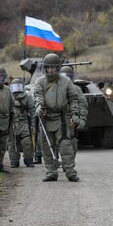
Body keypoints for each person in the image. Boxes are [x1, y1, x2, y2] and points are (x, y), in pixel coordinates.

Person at [33, 53, 80, 182]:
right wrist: (39, 107)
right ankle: (51, 172)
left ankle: (70, 171)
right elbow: (38, 95)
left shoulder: (66, 82)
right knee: (46, 147)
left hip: (62, 118)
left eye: (53, 67)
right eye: (48, 67)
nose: (50, 70)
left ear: (58, 68)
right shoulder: (40, 82)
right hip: (45, 117)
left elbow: (73, 99)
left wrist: (75, 114)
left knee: (65, 145)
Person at [7, 78, 35, 168]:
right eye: (15, 87)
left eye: (19, 86)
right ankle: (14, 161)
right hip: (12, 123)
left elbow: (33, 111)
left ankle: (29, 160)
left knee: (27, 142)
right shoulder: (8, 97)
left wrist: (33, 125)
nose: (17, 89)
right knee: (12, 143)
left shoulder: (27, 97)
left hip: (24, 122)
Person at [61, 65, 88, 157]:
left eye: (68, 76)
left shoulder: (76, 89)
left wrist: (82, 119)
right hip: (57, 119)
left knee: (71, 142)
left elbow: (83, 104)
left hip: (70, 119)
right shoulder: (55, 88)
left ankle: (69, 164)